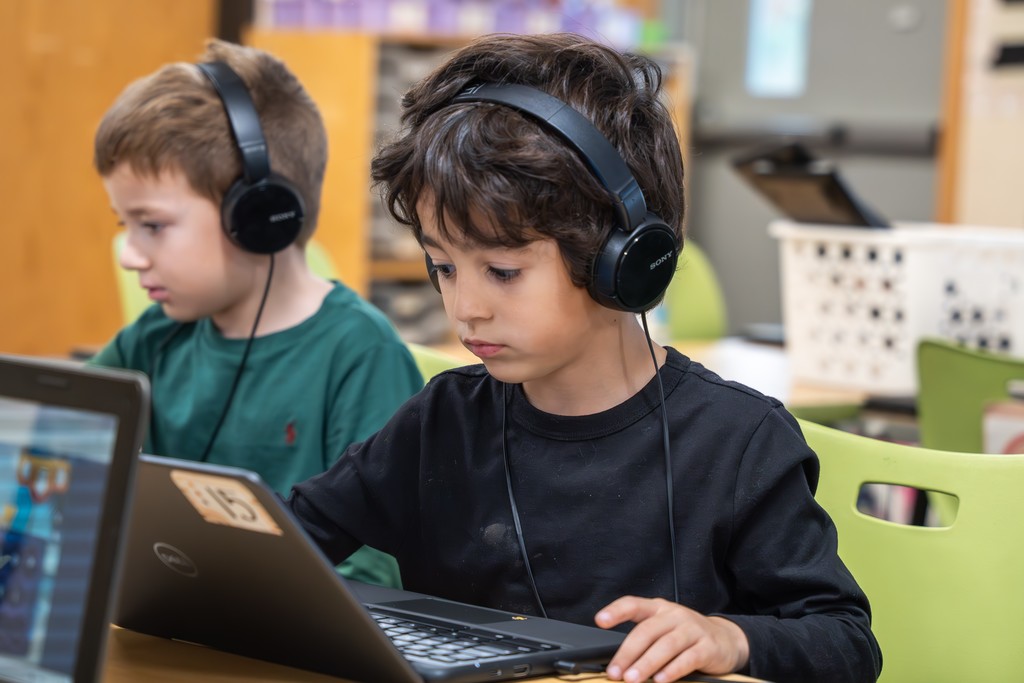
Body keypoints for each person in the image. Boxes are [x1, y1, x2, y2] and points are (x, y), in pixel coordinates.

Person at [286, 32, 881, 683]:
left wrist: (730, 637)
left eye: (504, 271)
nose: (465, 308)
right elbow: (289, 540)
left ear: (623, 262)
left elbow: (845, 642)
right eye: (444, 266)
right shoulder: (442, 420)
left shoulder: (738, 443)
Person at [90, 39, 423, 588]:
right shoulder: (152, 340)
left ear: (260, 214)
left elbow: (375, 571)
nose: (128, 253)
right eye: (124, 225)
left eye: (151, 225)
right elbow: (53, 442)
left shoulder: (359, 355)